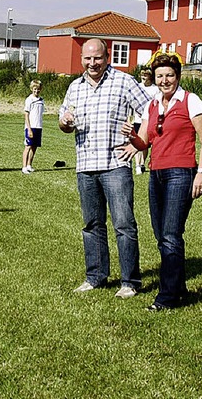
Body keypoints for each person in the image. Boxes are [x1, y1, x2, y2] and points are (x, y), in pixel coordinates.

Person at [59, 38, 152, 299]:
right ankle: (96, 277)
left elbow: (150, 111)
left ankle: (130, 282)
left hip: (116, 166)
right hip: (85, 165)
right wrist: (65, 123)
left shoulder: (123, 82)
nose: (93, 63)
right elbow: (63, 123)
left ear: (107, 57)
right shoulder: (74, 88)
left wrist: (137, 142)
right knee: (91, 224)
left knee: (124, 224)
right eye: (88, 58)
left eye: (97, 58)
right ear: (81, 59)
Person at [122, 53, 202, 311]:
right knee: (162, 235)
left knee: (171, 235)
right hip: (157, 174)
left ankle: (167, 297)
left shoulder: (190, 101)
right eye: (160, 76)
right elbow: (144, 141)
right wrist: (132, 139)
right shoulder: (152, 104)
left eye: (169, 75)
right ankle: (179, 286)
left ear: (178, 76)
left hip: (181, 173)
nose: (164, 80)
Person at [132, 67, 159, 175]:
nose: (143, 77)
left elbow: (156, 103)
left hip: (149, 120)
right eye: (142, 75)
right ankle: (137, 165)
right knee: (137, 142)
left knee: (145, 144)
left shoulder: (155, 89)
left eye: (146, 75)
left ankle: (142, 163)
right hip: (137, 120)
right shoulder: (137, 87)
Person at [22, 79, 45, 174]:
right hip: (30, 127)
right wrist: (29, 129)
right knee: (28, 146)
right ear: (32, 89)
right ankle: (24, 167)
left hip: (38, 127)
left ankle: (29, 165)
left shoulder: (41, 100)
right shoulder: (29, 100)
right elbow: (26, 114)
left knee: (34, 147)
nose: (36, 91)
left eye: (38, 89)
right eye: (35, 89)